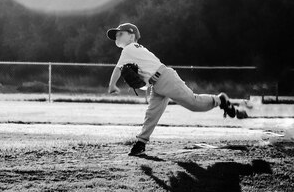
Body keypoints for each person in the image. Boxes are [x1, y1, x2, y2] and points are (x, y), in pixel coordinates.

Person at [106, 22, 247, 156]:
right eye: (116, 35)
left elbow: (118, 69)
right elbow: (145, 82)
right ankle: (140, 143)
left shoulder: (128, 49)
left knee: (194, 103)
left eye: (120, 33)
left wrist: (112, 85)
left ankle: (219, 100)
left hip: (165, 79)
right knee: (152, 114)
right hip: (158, 83)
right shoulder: (135, 49)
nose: (116, 36)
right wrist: (143, 84)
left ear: (131, 36)